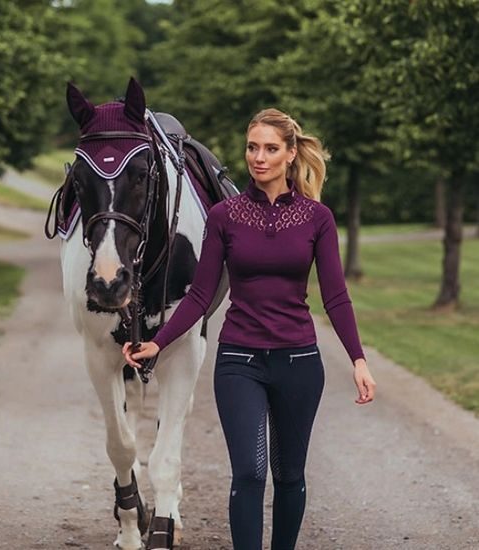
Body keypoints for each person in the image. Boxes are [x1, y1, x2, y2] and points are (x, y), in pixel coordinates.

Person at [123, 108, 376, 549]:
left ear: (290, 154)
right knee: (249, 472)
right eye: (252, 147)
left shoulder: (318, 219)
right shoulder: (225, 216)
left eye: (270, 149)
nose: (259, 158)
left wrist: (357, 358)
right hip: (240, 360)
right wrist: (157, 343)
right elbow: (201, 296)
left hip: (299, 362)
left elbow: (335, 297)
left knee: (289, 474)